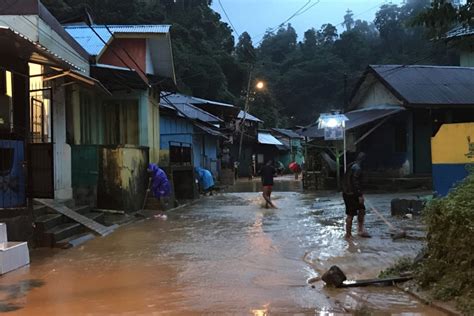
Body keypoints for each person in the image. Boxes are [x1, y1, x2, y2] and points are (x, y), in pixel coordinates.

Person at [342, 152, 370, 239]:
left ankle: (360, 230)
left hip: (347, 193)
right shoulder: (357, 168)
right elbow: (355, 183)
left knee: (362, 210)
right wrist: (359, 195)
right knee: (350, 214)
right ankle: (348, 235)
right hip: (352, 194)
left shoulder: (351, 165)